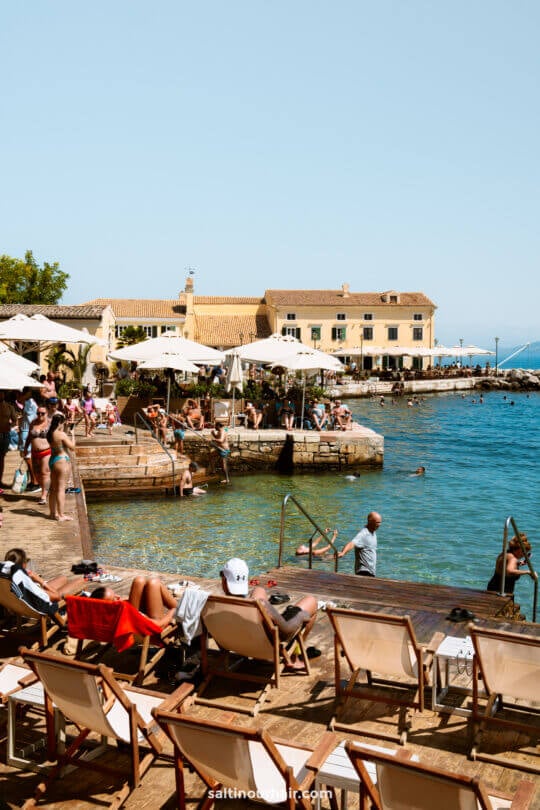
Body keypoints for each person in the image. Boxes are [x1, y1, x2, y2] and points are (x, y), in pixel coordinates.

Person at [220, 558, 318, 665]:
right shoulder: (258, 605)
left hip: (237, 643)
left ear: (224, 581)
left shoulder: (213, 606)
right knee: (311, 601)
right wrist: (301, 616)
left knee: (259, 590)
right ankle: (295, 657)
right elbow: (287, 631)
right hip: (270, 645)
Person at [1, 547, 84, 614]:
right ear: (23, 565)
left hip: (22, 600)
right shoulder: (26, 585)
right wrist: (40, 580)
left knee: (63, 578)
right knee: (80, 581)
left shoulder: (5, 578)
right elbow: (57, 597)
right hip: (40, 601)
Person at [92, 576, 177, 629]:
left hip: (137, 617)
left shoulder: (112, 615)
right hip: (155, 627)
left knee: (139, 581)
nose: (119, 597)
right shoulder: (124, 616)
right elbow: (158, 625)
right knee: (154, 583)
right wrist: (172, 612)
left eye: (115, 594)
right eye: (115, 599)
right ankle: (180, 609)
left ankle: (181, 608)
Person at [47, 412, 76, 521]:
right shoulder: (61, 434)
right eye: (63, 423)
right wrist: (72, 435)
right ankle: (61, 515)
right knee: (60, 489)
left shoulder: (49, 433)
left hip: (53, 460)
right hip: (62, 461)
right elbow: (72, 447)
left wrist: (66, 431)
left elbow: (58, 443)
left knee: (53, 489)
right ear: (60, 422)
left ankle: (52, 513)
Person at [338, 511, 382, 577]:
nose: (379, 524)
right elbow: (352, 543)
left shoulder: (373, 532)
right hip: (364, 571)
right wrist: (343, 552)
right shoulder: (363, 534)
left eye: (380, 522)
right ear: (370, 521)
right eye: (377, 522)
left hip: (371, 572)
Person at [23, 404, 52, 505]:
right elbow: (29, 437)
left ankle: (43, 495)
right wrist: (26, 448)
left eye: (42, 413)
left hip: (46, 452)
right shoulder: (33, 423)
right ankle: (45, 488)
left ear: (47, 413)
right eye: (38, 413)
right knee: (37, 474)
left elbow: (56, 436)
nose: (40, 415)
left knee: (45, 472)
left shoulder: (50, 423)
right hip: (34, 452)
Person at [0, 391, 18, 489]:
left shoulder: (9, 407)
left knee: (2, 458)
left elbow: (15, 420)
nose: (0, 395)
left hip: (5, 434)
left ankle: (0, 481)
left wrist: (9, 426)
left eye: (1, 393)